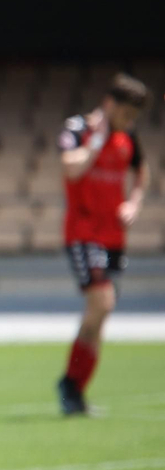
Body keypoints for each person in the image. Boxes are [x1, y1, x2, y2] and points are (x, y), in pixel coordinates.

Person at [55, 74, 149, 416]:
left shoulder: (128, 137)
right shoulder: (78, 129)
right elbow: (71, 169)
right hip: (83, 232)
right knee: (103, 303)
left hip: (113, 236)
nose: (129, 122)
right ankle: (69, 383)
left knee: (100, 314)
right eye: (126, 114)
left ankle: (75, 389)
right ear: (110, 104)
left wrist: (134, 203)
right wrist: (98, 141)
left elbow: (142, 171)